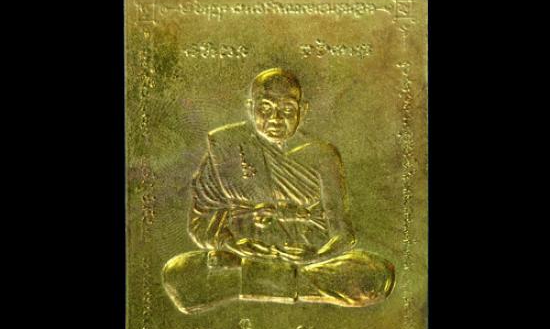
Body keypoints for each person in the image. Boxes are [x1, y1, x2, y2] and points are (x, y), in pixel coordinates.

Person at [162, 68, 395, 314]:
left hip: (305, 259)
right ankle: (294, 284)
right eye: (265, 108)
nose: (275, 118)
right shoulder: (226, 146)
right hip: (243, 256)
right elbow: (201, 222)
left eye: (287, 110)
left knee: (375, 275)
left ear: (302, 110)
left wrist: (314, 255)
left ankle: (255, 283)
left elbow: (343, 234)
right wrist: (231, 243)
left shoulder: (323, 155)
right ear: (250, 108)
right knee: (178, 274)